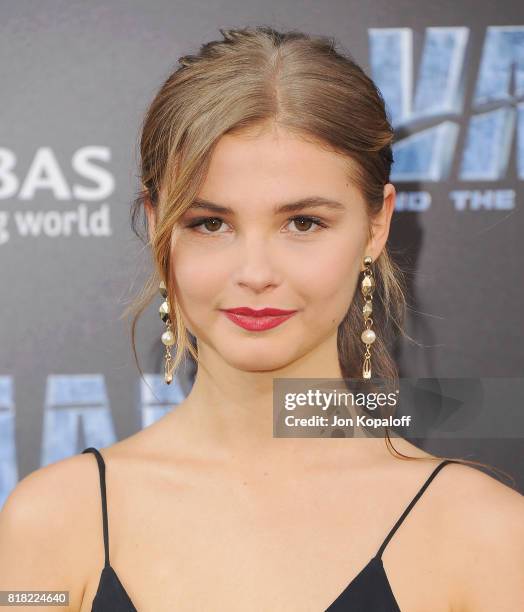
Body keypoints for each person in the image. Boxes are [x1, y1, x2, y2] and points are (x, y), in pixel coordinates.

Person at [0, 25, 523, 612]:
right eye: (210, 223)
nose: (255, 272)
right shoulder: (51, 522)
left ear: (377, 226)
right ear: (158, 227)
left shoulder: (486, 535)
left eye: (303, 223)